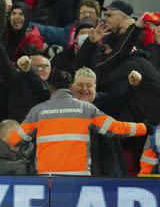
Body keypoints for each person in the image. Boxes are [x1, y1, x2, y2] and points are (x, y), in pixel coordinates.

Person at [8, 70, 147, 175]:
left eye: (88, 85)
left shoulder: (38, 110)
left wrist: (131, 86)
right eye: (80, 85)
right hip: (77, 174)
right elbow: (116, 128)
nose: (84, 89)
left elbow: (16, 140)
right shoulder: (83, 109)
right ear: (71, 87)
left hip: (55, 174)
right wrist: (144, 127)